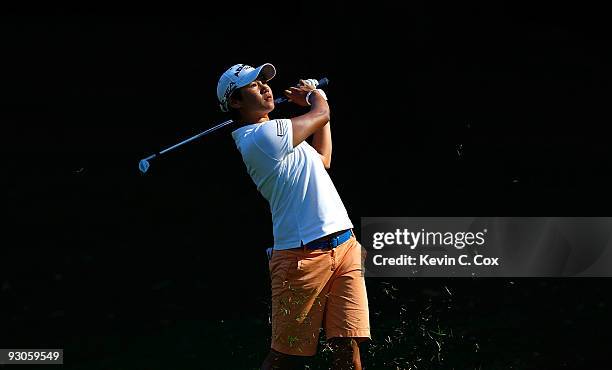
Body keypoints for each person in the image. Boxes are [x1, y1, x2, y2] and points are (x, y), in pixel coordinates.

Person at [217, 63, 370, 369]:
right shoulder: (261, 138)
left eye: (263, 81)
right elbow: (320, 114)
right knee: (285, 357)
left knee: (346, 342)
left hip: (345, 245)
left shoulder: (283, 137)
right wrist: (315, 96)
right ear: (236, 102)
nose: (264, 87)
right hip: (302, 257)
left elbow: (323, 158)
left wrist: (318, 104)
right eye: (253, 86)